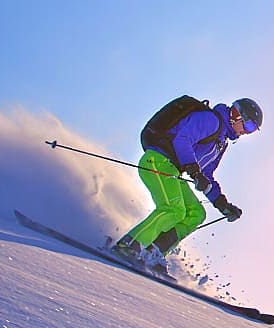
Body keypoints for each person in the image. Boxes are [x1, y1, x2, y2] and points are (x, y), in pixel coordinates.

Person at [111, 96, 263, 272]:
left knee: (196, 213)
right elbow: (182, 139)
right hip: (158, 161)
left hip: (172, 171)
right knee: (174, 209)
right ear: (237, 115)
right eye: (249, 126)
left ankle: (153, 252)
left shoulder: (221, 143)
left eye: (252, 130)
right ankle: (129, 245)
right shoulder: (211, 120)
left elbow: (207, 175)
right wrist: (194, 170)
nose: (247, 132)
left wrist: (222, 204)